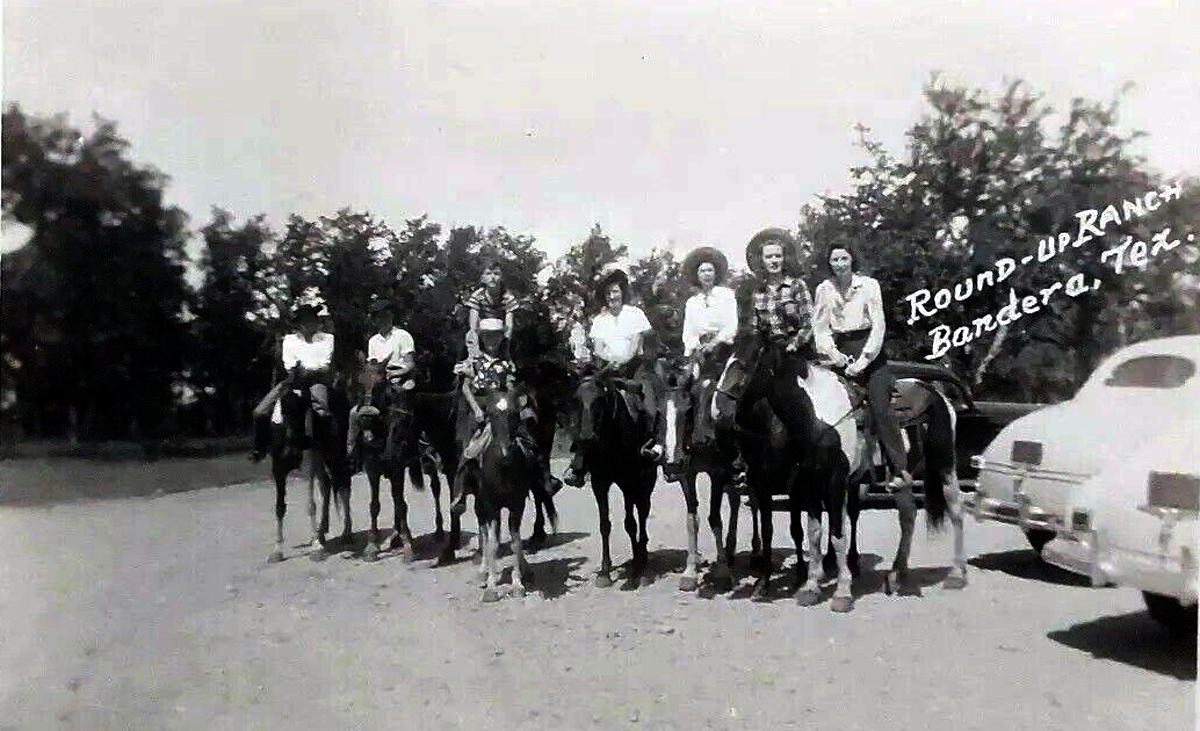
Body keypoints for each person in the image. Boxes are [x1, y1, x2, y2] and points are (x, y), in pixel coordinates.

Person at [716, 229, 818, 480]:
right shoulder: (758, 290)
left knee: (789, 395)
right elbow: (753, 327)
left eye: (778, 256)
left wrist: (795, 343)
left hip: (795, 351)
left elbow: (808, 323)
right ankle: (747, 458)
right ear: (761, 261)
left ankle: (803, 451)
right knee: (743, 394)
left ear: (785, 258)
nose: (774, 261)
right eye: (769, 257)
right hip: (767, 351)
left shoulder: (797, 286)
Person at [813, 241, 914, 490]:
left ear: (852, 260)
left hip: (869, 350)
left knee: (880, 406)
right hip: (839, 349)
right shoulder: (824, 289)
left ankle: (899, 468)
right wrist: (835, 356)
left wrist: (863, 361)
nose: (839, 264)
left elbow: (879, 325)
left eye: (843, 259)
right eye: (834, 260)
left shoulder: (869, 286)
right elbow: (820, 329)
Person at [562, 265, 660, 487]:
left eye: (615, 291)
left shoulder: (635, 314)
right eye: (607, 293)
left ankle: (652, 444)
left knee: (648, 402)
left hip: (634, 368)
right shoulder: (600, 319)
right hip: (606, 370)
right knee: (586, 401)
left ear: (622, 292)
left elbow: (636, 343)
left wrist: (623, 360)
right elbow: (597, 347)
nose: (612, 296)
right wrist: (610, 361)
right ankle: (580, 458)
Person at [449, 318, 543, 514]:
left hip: (502, 405)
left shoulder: (506, 364)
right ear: (482, 338)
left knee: (527, 438)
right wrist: (475, 409)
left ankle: (541, 477)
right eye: (488, 336)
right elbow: (466, 388)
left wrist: (516, 400)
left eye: (496, 336)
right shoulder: (475, 362)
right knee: (470, 447)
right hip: (481, 405)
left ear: (502, 338)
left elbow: (509, 387)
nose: (492, 340)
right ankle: (461, 491)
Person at [250, 304, 336, 461]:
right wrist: (300, 370)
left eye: (312, 320)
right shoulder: (290, 340)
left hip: (317, 381)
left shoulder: (327, 339)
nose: (309, 324)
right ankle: (260, 448)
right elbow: (288, 363)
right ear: (299, 324)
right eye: (305, 321)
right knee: (260, 412)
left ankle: (329, 448)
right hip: (293, 380)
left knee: (322, 411)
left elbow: (325, 363)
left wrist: (308, 369)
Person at [346, 299, 416, 465]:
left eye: (384, 316)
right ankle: (353, 447)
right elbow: (373, 365)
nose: (381, 320)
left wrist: (395, 373)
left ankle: (418, 442)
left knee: (406, 399)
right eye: (378, 317)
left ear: (391, 316)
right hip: (379, 378)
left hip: (400, 375)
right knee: (357, 410)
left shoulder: (403, 336)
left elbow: (410, 363)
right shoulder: (373, 341)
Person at [681, 246, 738, 373]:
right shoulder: (692, 303)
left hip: (725, 349)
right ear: (697, 275)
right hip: (700, 353)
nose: (707, 274)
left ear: (715, 273)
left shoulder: (727, 295)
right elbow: (688, 331)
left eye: (710, 270)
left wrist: (714, 344)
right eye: (702, 271)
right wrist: (696, 347)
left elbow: (732, 325)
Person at [463, 259, 518, 358]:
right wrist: (475, 350)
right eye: (488, 274)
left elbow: (509, 326)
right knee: (468, 337)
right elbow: (473, 325)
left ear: (501, 277)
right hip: (483, 332)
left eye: (496, 274)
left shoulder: (507, 297)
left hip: (499, 332)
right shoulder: (478, 295)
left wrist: (505, 348)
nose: (492, 277)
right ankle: (471, 359)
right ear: (483, 278)